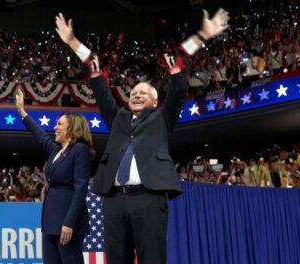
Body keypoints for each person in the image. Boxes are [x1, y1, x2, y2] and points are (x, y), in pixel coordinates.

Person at [55, 9, 229, 264]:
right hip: (114, 200)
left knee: (153, 259)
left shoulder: (162, 118)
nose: (136, 95)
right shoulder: (118, 119)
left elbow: (178, 82)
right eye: (133, 92)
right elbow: (96, 73)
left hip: (149, 198)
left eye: (143, 93)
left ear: (155, 101)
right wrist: (72, 42)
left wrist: (202, 35)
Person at [15, 89, 93, 264]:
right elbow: (41, 136)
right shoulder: (57, 150)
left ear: (71, 129)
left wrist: (69, 222)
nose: (55, 127)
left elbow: (81, 188)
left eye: (59, 124)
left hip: (67, 220)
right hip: (50, 219)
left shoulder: (80, 150)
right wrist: (22, 112)